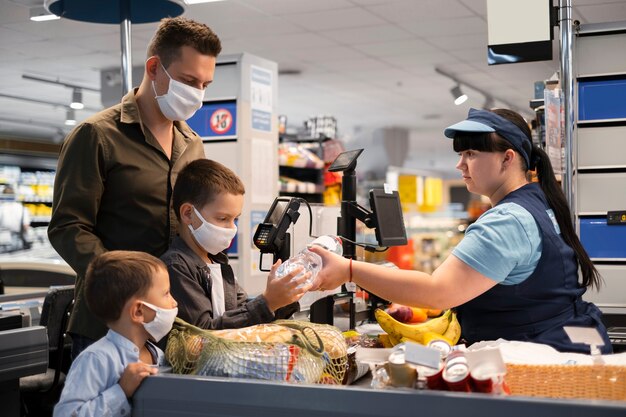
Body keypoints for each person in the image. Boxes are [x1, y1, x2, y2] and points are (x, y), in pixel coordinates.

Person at [310, 108, 612, 354]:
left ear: (508, 158)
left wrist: (349, 269)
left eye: (470, 153)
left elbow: (438, 292)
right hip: (568, 343)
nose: (460, 164)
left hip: (538, 360)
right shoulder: (540, 202)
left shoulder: (506, 221)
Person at [48, 17, 221, 358]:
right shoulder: (97, 135)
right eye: (188, 81)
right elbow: (68, 227)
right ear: (154, 68)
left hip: (176, 321)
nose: (198, 94)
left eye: (205, 84)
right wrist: (127, 283)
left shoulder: (193, 145)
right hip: (109, 325)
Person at [161, 159, 310, 329]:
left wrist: (285, 298)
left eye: (235, 219)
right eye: (222, 218)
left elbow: (242, 313)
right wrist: (267, 302)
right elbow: (203, 332)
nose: (232, 228)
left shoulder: (218, 262)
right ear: (188, 214)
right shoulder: (177, 267)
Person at [54, 250, 178, 417]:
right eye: (166, 293)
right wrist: (120, 391)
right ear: (138, 311)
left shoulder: (157, 354)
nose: (174, 302)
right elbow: (66, 414)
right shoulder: (96, 359)